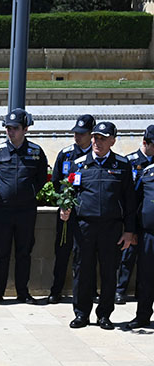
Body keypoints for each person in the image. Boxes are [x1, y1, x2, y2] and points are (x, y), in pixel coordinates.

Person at [65, 122, 137, 329]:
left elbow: (129, 202)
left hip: (111, 228)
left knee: (108, 272)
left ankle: (104, 314)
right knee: (82, 270)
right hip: (84, 226)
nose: (97, 142)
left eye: (103, 138)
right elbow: (68, 193)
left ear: (113, 141)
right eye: (95, 137)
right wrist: (64, 209)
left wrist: (129, 231)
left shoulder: (122, 166)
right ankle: (81, 314)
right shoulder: (79, 164)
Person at [0, 108, 49, 305]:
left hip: (26, 210)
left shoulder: (36, 152)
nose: (10, 132)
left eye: (15, 128)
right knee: (1, 252)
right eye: (8, 128)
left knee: (24, 252)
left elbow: (41, 178)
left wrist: (29, 192)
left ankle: (23, 292)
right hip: (3, 209)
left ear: (25, 129)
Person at [48, 114, 94, 304]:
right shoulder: (66, 154)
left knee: (86, 254)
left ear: (91, 134)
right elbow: (56, 181)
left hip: (88, 214)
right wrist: (64, 203)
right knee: (62, 252)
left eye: (82, 134)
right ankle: (56, 290)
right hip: (67, 213)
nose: (78, 137)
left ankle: (88, 291)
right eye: (76, 133)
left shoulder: (96, 156)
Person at [116, 125, 154, 304]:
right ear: (145, 142)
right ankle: (120, 290)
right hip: (132, 216)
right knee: (127, 256)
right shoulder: (130, 161)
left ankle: (142, 292)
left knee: (146, 260)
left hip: (149, 219)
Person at [128, 157, 154, 329]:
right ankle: (143, 316)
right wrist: (134, 231)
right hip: (149, 235)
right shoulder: (147, 172)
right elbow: (135, 203)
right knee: (146, 277)